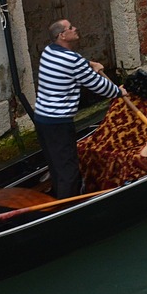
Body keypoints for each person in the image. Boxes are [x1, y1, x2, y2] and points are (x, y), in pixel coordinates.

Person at [34, 19, 126, 198]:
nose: (75, 28)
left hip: (42, 120)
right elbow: (99, 86)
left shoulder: (48, 51)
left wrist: (89, 64)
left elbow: (73, 64)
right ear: (62, 35)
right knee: (68, 169)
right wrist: (119, 91)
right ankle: (69, 207)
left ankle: (60, 199)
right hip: (58, 123)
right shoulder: (72, 61)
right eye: (71, 28)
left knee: (56, 165)